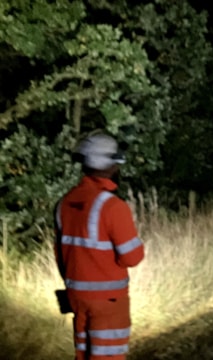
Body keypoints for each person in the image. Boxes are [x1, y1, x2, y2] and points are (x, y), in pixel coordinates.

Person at [54, 131, 145, 360]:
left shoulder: (64, 203)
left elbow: (60, 254)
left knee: (83, 356)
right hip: (108, 303)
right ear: (111, 166)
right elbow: (132, 257)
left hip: (77, 299)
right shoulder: (114, 207)